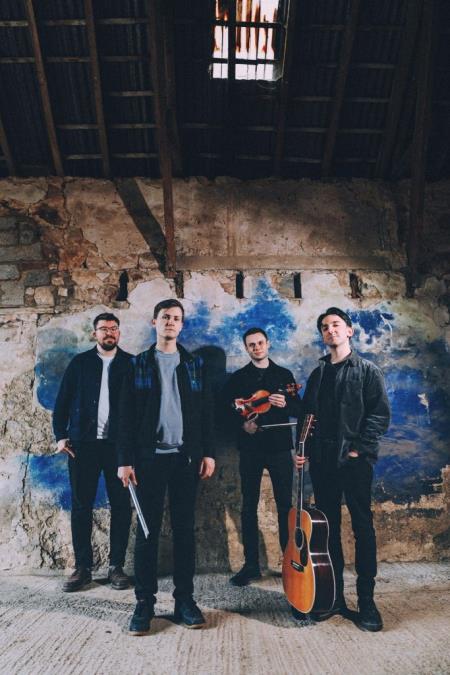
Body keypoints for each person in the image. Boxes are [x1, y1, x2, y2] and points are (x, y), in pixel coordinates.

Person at [117, 299, 215, 635]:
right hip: (147, 461)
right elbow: (125, 417)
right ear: (153, 322)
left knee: (185, 532)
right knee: (147, 533)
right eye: (165, 318)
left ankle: (184, 601)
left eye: (176, 318)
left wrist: (208, 452)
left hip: (185, 459)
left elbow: (204, 413)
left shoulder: (193, 364)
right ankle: (144, 603)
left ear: (182, 325)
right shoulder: (137, 364)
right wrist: (124, 460)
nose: (170, 322)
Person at [295, 307, 390, 631]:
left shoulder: (367, 370)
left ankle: (367, 603)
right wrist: (302, 450)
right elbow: (307, 415)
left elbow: (379, 416)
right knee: (326, 530)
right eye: (325, 327)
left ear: (349, 331)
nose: (330, 330)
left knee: (362, 529)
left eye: (336, 325)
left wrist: (356, 449)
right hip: (322, 462)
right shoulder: (318, 374)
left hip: (355, 462)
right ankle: (334, 598)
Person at [53, 312, 133, 592]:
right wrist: (60, 436)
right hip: (82, 446)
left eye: (113, 329)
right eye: (103, 329)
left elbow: (140, 407)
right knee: (81, 506)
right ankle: (83, 568)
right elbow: (61, 401)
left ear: (119, 333)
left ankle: (116, 567)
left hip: (118, 448)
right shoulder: (80, 363)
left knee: (121, 506)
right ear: (94, 333)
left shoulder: (131, 364)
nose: (108, 333)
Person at [223, 327, 301, 586]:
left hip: (279, 447)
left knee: (284, 507)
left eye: (260, 343)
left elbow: (299, 408)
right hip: (251, 449)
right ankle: (251, 565)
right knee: (248, 507)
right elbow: (226, 411)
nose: (256, 348)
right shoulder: (238, 378)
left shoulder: (284, 375)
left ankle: (289, 562)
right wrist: (242, 425)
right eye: (251, 345)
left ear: (268, 344)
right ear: (246, 348)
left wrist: (285, 404)